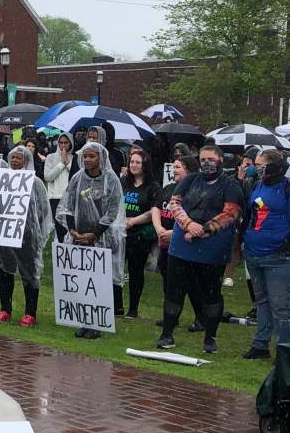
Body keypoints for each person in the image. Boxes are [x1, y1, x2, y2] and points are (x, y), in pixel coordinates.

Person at [157, 143, 243, 353]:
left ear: (220, 161)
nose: (205, 163)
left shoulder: (230, 185)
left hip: (213, 246)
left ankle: (210, 338)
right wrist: (188, 224)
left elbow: (231, 213)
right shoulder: (190, 179)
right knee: (174, 291)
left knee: (211, 293)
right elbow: (174, 203)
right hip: (182, 244)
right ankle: (167, 334)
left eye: (210, 160)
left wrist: (204, 229)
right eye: (202, 160)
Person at [240, 149, 290, 360]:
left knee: (280, 304)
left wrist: (286, 249)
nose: (258, 168)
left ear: (273, 167)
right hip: (254, 252)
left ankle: (285, 349)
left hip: (279, 257)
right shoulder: (257, 185)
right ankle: (261, 344)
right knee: (262, 301)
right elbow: (250, 214)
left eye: (262, 165)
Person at [56, 141, 126, 339]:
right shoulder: (78, 178)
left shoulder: (111, 179)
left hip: (102, 238)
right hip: (79, 236)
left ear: (101, 158)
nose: (87, 160)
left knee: (100, 282)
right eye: (85, 156)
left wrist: (95, 233)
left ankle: (97, 323)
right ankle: (85, 320)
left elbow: (113, 210)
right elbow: (68, 205)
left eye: (92, 156)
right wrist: (73, 231)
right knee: (83, 281)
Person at [0, 145, 53, 326]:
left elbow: (42, 210)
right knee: (5, 271)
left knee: (29, 274)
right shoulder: (3, 179)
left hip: (27, 236)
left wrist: (32, 229)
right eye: (13, 157)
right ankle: (5, 309)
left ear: (26, 160)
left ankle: (30, 313)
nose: (15, 161)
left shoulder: (36, 182)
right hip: (5, 233)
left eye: (19, 158)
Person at [151, 154, 204, 330]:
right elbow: (157, 208)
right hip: (165, 243)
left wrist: (174, 234)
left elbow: (198, 219)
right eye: (173, 167)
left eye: (178, 167)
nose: (174, 171)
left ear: (188, 169)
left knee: (191, 283)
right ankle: (171, 317)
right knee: (168, 281)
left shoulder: (195, 192)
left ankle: (201, 318)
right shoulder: (168, 189)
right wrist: (159, 229)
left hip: (185, 242)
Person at [121, 147, 160, 319]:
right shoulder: (123, 182)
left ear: (145, 165)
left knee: (136, 271)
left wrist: (133, 221)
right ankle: (116, 306)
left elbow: (154, 210)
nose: (134, 165)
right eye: (132, 162)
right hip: (120, 232)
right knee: (115, 269)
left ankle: (133, 309)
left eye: (138, 162)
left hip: (140, 234)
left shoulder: (153, 187)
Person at [44, 132, 75, 244]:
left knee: (70, 227)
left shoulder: (75, 157)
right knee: (59, 228)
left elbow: (76, 176)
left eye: (66, 143)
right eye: (60, 142)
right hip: (55, 197)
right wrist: (61, 164)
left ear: (70, 144)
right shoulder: (50, 157)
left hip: (70, 197)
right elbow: (48, 177)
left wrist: (67, 162)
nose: (63, 145)